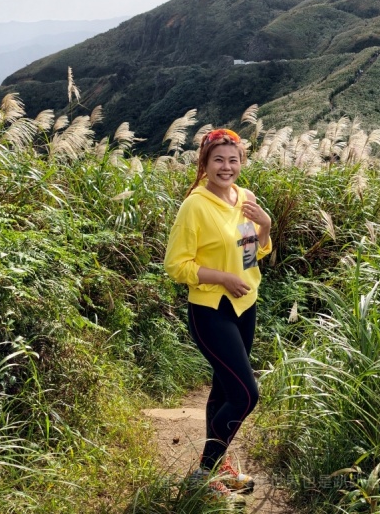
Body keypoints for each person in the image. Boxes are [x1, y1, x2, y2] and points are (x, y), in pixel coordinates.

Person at [164, 127, 273, 501]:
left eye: (233, 160)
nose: (226, 167)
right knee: (245, 395)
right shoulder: (194, 206)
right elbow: (177, 265)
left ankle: (217, 467)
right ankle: (204, 473)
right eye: (218, 160)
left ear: (241, 162)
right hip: (211, 310)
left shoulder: (246, 198)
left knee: (224, 388)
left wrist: (265, 226)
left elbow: (251, 255)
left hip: (245, 306)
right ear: (205, 163)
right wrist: (223, 278)